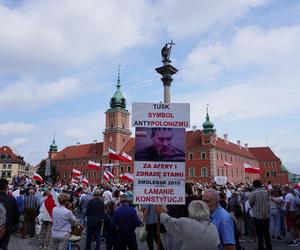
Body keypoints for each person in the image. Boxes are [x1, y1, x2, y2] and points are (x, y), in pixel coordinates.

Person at [155, 200, 220, 250]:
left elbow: (168, 221)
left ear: (191, 211)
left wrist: (161, 213)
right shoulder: (213, 227)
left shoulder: (186, 223)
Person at [249, 179, 272, 250]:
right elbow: (269, 202)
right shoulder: (266, 192)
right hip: (266, 215)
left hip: (258, 216)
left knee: (259, 233)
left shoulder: (253, 193)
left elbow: (250, 204)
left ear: (254, 185)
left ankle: (261, 247)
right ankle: (269, 247)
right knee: (266, 233)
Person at [0, 178, 19, 250]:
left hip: (5, 226)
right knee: (4, 246)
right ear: (6, 187)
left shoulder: (11, 199)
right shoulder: (11, 199)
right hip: (6, 227)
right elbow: (16, 215)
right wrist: (13, 224)